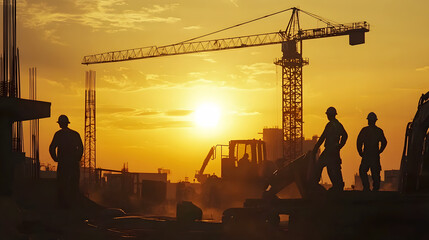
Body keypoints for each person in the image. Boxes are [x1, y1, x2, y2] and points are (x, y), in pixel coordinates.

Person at [49, 115, 83, 208]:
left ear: (60, 123)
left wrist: (55, 158)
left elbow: (52, 148)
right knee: (73, 183)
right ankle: (74, 203)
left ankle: (62, 203)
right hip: (73, 163)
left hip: (63, 163)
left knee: (62, 183)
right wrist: (77, 158)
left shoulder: (58, 134)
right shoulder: (75, 134)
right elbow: (80, 148)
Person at [312, 107, 348, 191]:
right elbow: (345, 135)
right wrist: (339, 146)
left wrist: (315, 149)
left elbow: (323, 137)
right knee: (333, 167)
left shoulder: (330, 125)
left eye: (328, 115)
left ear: (330, 115)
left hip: (329, 150)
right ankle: (338, 185)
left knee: (319, 165)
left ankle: (315, 183)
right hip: (335, 150)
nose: (327, 116)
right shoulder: (338, 125)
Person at [357, 112, 387, 191]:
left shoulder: (365, 130)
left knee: (363, 171)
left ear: (369, 121)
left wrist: (360, 152)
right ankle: (375, 188)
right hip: (374, 155)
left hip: (367, 155)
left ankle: (367, 187)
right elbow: (384, 142)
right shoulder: (378, 131)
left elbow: (359, 142)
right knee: (375, 173)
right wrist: (380, 151)